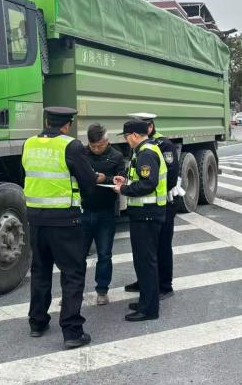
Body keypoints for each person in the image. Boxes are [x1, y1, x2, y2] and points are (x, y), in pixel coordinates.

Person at [22, 106, 96, 349]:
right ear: (68, 125)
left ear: (47, 121)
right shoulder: (71, 146)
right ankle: (72, 331)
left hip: (36, 218)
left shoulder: (29, 144)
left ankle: (37, 322)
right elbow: (88, 182)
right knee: (72, 273)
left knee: (40, 270)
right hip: (65, 220)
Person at [113, 119, 167, 321]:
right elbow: (142, 180)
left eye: (127, 137)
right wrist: (125, 181)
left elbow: (148, 184)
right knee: (144, 261)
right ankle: (146, 300)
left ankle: (149, 309)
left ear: (135, 135)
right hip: (145, 214)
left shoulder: (146, 153)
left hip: (147, 215)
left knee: (146, 262)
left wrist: (123, 189)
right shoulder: (143, 151)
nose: (126, 140)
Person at [123, 113, 180, 299]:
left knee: (162, 247)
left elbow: (171, 174)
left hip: (163, 202)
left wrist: (158, 195)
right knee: (147, 252)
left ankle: (164, 286)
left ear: (150, 127)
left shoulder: (163, 144)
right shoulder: (140, 147)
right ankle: (146, 283)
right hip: (151, 202)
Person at [83, 123, 126, 305]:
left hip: (106, 212)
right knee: (77, 255)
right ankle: (73, 290)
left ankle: (102, 290)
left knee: (104, 254)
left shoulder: (116, 156)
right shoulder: (82, 154)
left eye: (100, 146)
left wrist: (105, 179)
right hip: (83, 210)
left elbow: (122, 179)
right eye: (93, 146)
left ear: (107, 141)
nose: (96, 149)